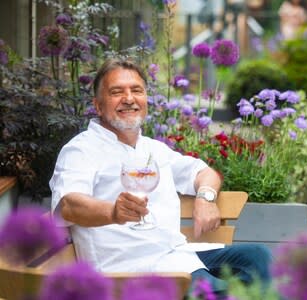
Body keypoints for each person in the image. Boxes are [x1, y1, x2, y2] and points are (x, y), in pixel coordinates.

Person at [49, 58, 272, 295]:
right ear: (98, 105)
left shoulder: (153, 149)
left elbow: (204, 172)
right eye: (116, 92)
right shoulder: (81, 149)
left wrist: (205, 198)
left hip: (174, 255)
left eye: (137, 90)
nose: (129, 98)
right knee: (216, 288)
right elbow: (68, 205)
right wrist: (113, 212)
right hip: (129, 270)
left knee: (258, 258)